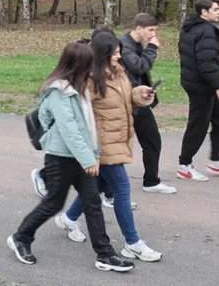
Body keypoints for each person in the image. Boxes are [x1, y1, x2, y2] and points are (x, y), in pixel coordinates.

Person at [7, 41, 134, 272]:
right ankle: (21, 237)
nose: (93, 69)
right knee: (53, 203)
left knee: (93, 203)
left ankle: (104, 255)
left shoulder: (81, 88)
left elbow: (89, 127)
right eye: (89, 64)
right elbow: (70, 130)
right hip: (60, 158)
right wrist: (88, 159)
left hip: (81, 157)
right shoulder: (58, 91)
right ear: (78, 65)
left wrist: (95, 155)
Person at [52, 34, 161, 263]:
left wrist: (140, 94)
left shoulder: (118, 72)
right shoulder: (89, 79)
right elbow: (78, 113)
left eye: (119, 52)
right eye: (114, 53)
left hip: (118, 138)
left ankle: (69, 219)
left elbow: (122, 99)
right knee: (122, 188)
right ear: (102, 54)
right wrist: (87, 150)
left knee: (99, 185)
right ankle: (132, 244)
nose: (119, 56)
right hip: (102, 144)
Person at [177, 0, 219, 181]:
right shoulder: (206, 30)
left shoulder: (190, 27)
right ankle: (184, 165)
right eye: (216, 9)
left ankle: (215, 160)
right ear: (204, 12)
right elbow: (206, 62)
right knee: (198, 125)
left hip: (196, 82)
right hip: (201, 85)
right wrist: (218, 85)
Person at [119, 14, 176, 194]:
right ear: (138, 29)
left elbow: (137, 73)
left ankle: (151, 181)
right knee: (113, 147)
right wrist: (152, 48)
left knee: (152, 141)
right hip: (122, 103)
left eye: (154, 31)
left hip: (136, 101)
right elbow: (140, 66)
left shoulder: (134, 44)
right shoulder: (124, 46)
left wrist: (145, 89)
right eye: (150, 30)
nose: (153, 35)